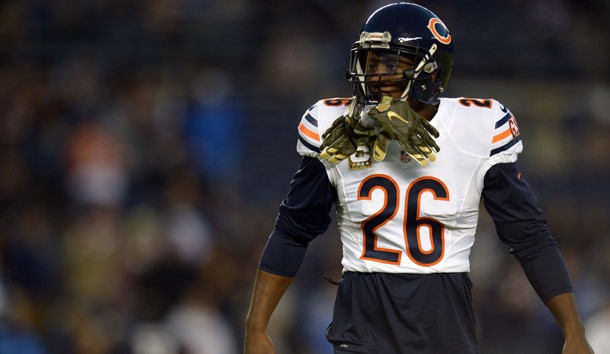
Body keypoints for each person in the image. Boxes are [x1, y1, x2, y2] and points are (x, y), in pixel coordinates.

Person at [244, 2, 595, 353]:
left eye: (392, 63)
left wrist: (573, 328)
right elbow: (292, 230)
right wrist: (256, 325)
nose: (377, 74)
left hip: (443, 329)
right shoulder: (340, 128)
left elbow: (530, 236)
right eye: (372, 60)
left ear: (431, 71)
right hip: (362, 329)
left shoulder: (475, 128)